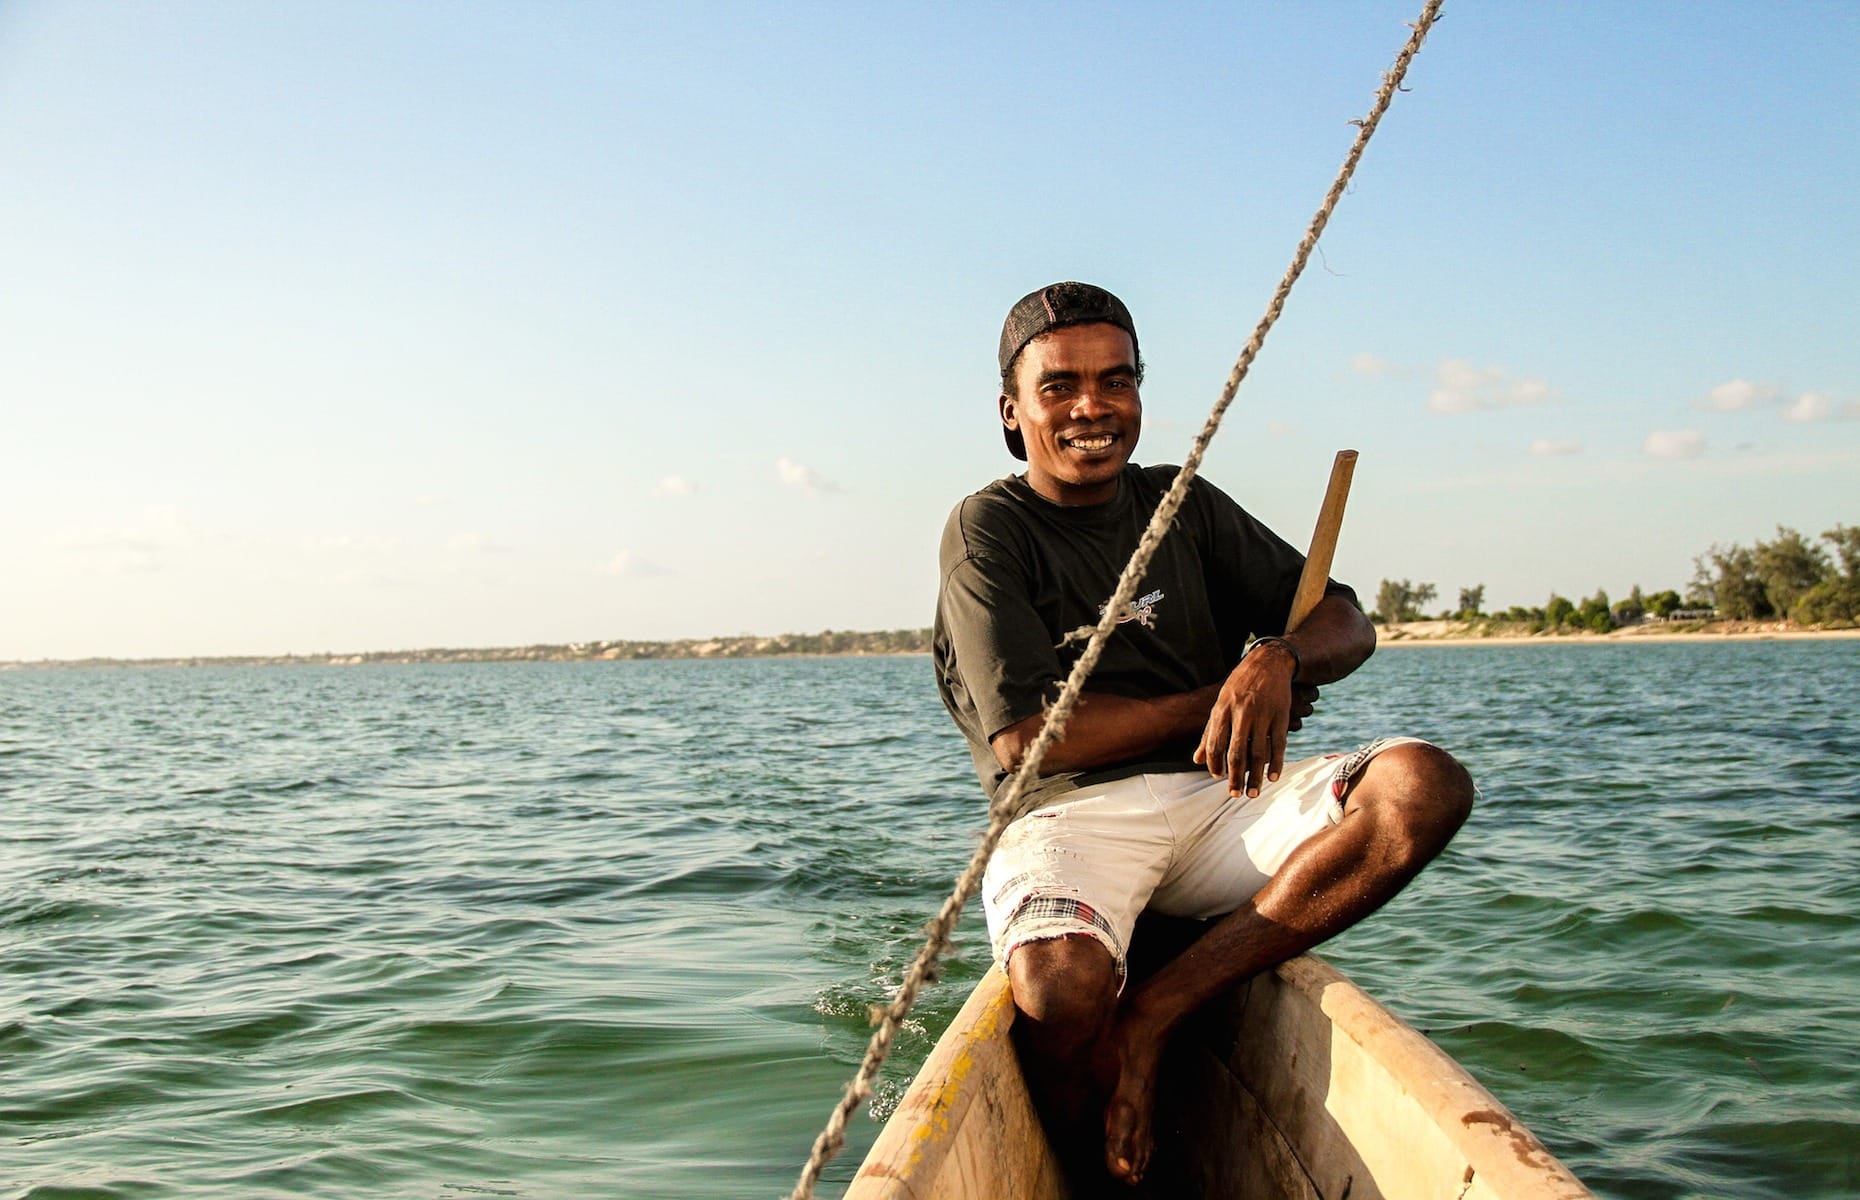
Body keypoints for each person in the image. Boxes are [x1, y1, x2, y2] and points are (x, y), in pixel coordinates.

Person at [932, 282, 1475, 1188]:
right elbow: (1032, 742)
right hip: (1072, 815)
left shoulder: (1182, 502)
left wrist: (1280, 659)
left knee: (1423, 789)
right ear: (1012, 410)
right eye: (1060, 387)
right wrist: (1214, 699)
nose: (1092, 407)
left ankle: (1153, 1014)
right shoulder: (988, 530)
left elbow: (1348, 619)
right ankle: (1096, 1176)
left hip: (1221, 796)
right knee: (1060, 992)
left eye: (1116, 380)